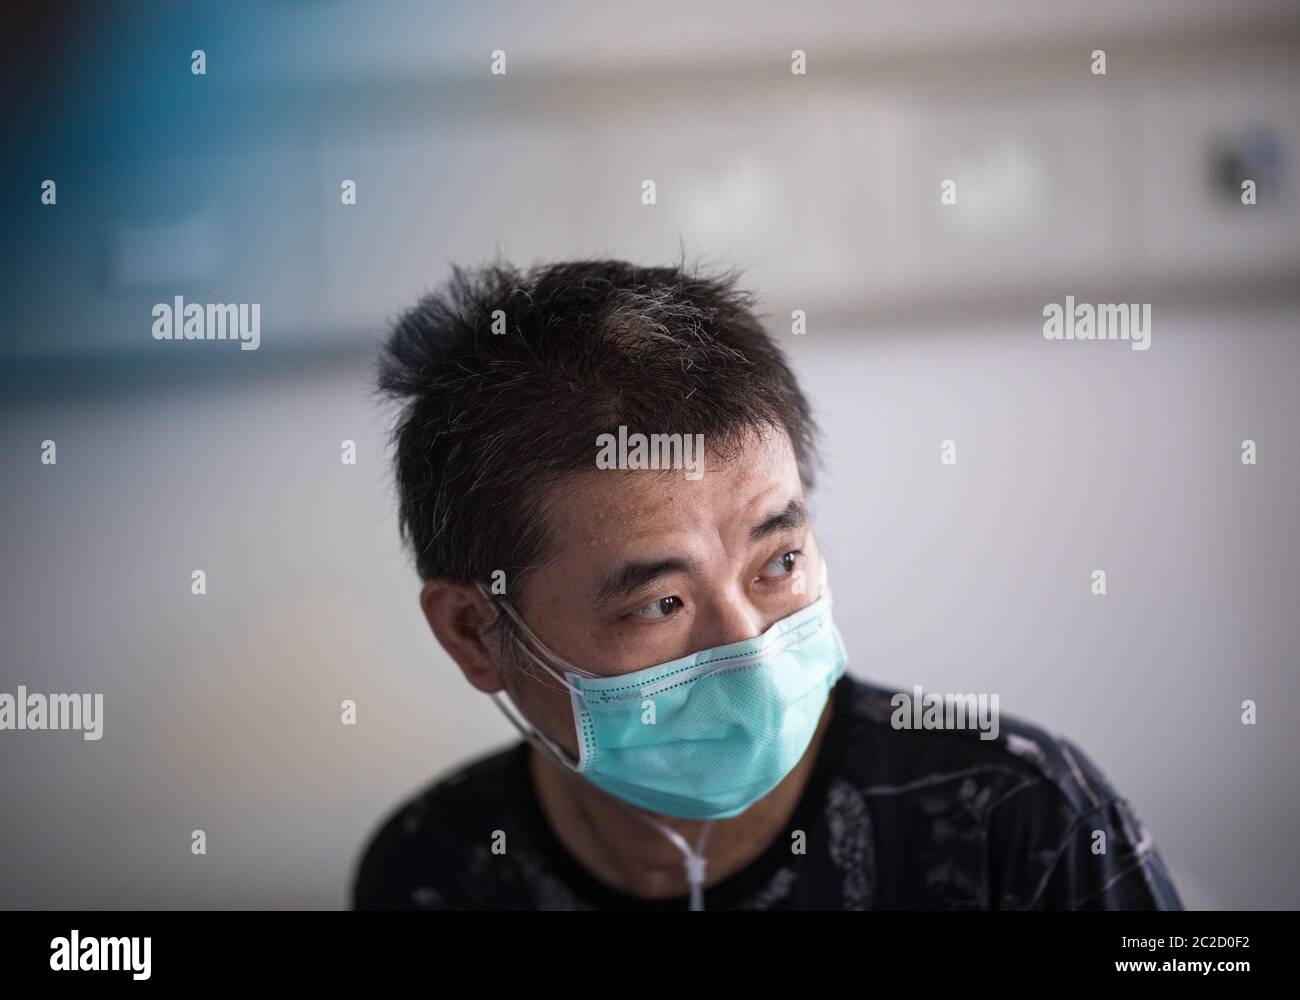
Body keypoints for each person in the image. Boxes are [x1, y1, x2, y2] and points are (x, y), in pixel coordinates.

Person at [352, 256, 1182, 911]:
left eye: (777, 564)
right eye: (660, 604)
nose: (748, 649)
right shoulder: (437, 868)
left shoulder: (1017, 814)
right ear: (472, 630)